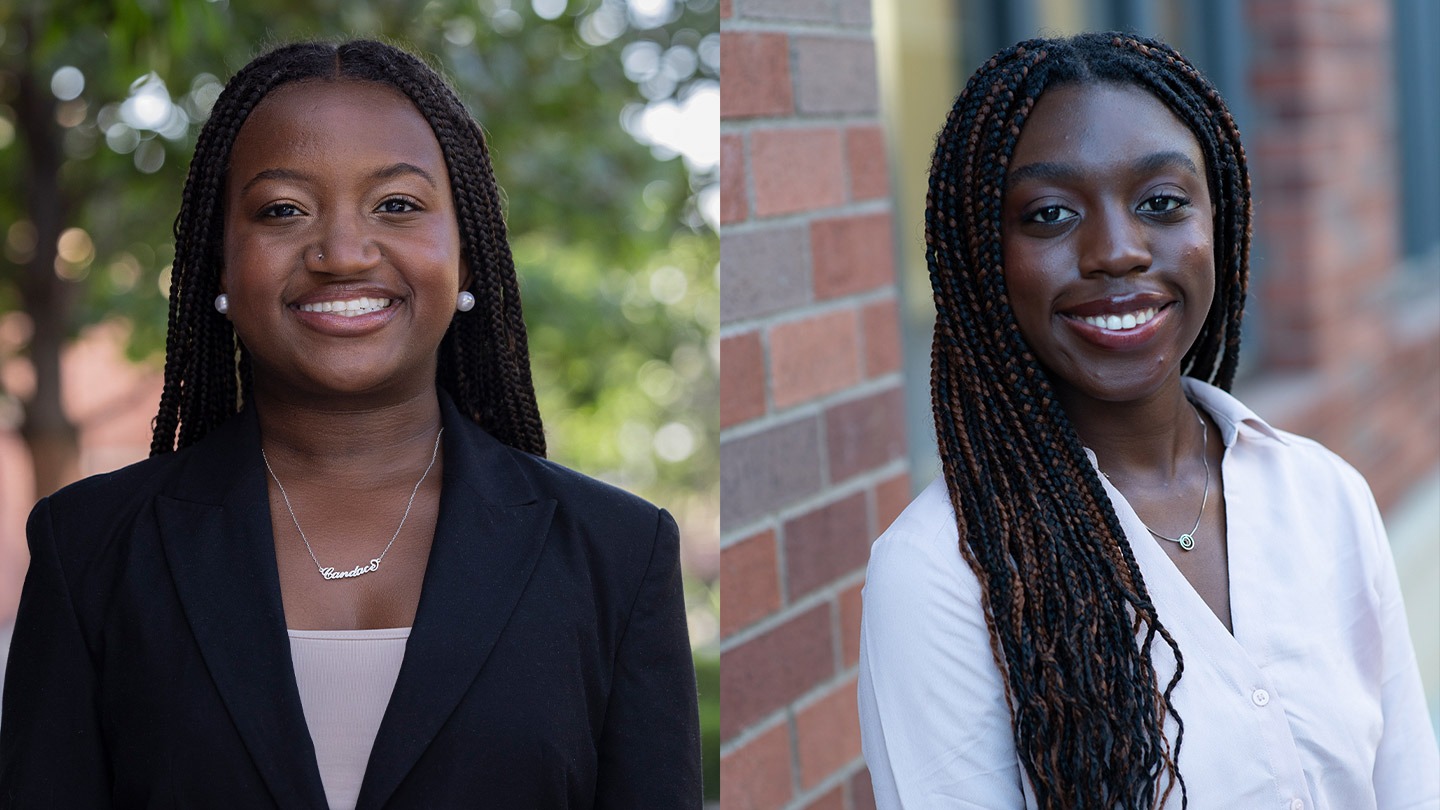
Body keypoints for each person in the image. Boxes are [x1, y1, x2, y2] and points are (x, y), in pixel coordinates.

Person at [0, 40, 701, 809]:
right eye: (282, 210)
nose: (342, 252)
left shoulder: (618, 555)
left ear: (467, 258)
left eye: (397, 205)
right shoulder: (91, 551)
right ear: (220, 265)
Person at [858, 32, 1438, 809]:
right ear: (982, 258)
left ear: (1218, 221)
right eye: (1052, 214)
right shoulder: (941, 577)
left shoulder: (1325, 495)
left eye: (1161, 203)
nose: (1118, 251)